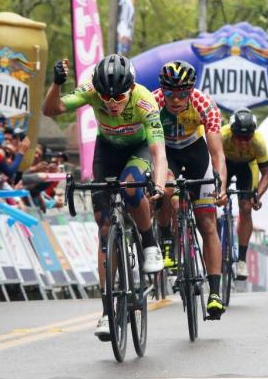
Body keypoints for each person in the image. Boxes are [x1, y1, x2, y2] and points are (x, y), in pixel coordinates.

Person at [43, 54, 167, 339]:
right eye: (105, 97)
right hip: (107, 152)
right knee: (104, 228)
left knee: (131, 187)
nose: (111, 103)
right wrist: (56, 84)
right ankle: (107, 312)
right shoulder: (90, 90)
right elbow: (53, 109)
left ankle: (150, 243)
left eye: (119, 97)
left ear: (131, 89)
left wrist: (159, 186)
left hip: (138, 150)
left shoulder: (145, 101)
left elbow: (158, 152)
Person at [152, 60, 227, 318]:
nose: (175, 99)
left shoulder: (205, 104)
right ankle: (166, 239)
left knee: (207, 223)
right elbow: (144, 146)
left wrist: (221, 185)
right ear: (162, 90)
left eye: (182, 94)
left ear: (191, 91)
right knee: (166, 190)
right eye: (170, 93)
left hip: (196, 153)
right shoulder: (152, 103)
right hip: (166, 153)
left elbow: (218, 154)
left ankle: (215, 293)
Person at [221, 108, 268, 280]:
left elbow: (266, 175)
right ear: (232, 132)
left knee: (246, 208)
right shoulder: (222, 136)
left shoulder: (258, 142)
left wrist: (258, 196)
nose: (243, 142)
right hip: (225, 164)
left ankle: (241, 260)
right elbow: (213, 161)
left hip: (247, 167)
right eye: (239, 137)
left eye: (247, 138)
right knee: (214, 199)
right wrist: (220, 189)